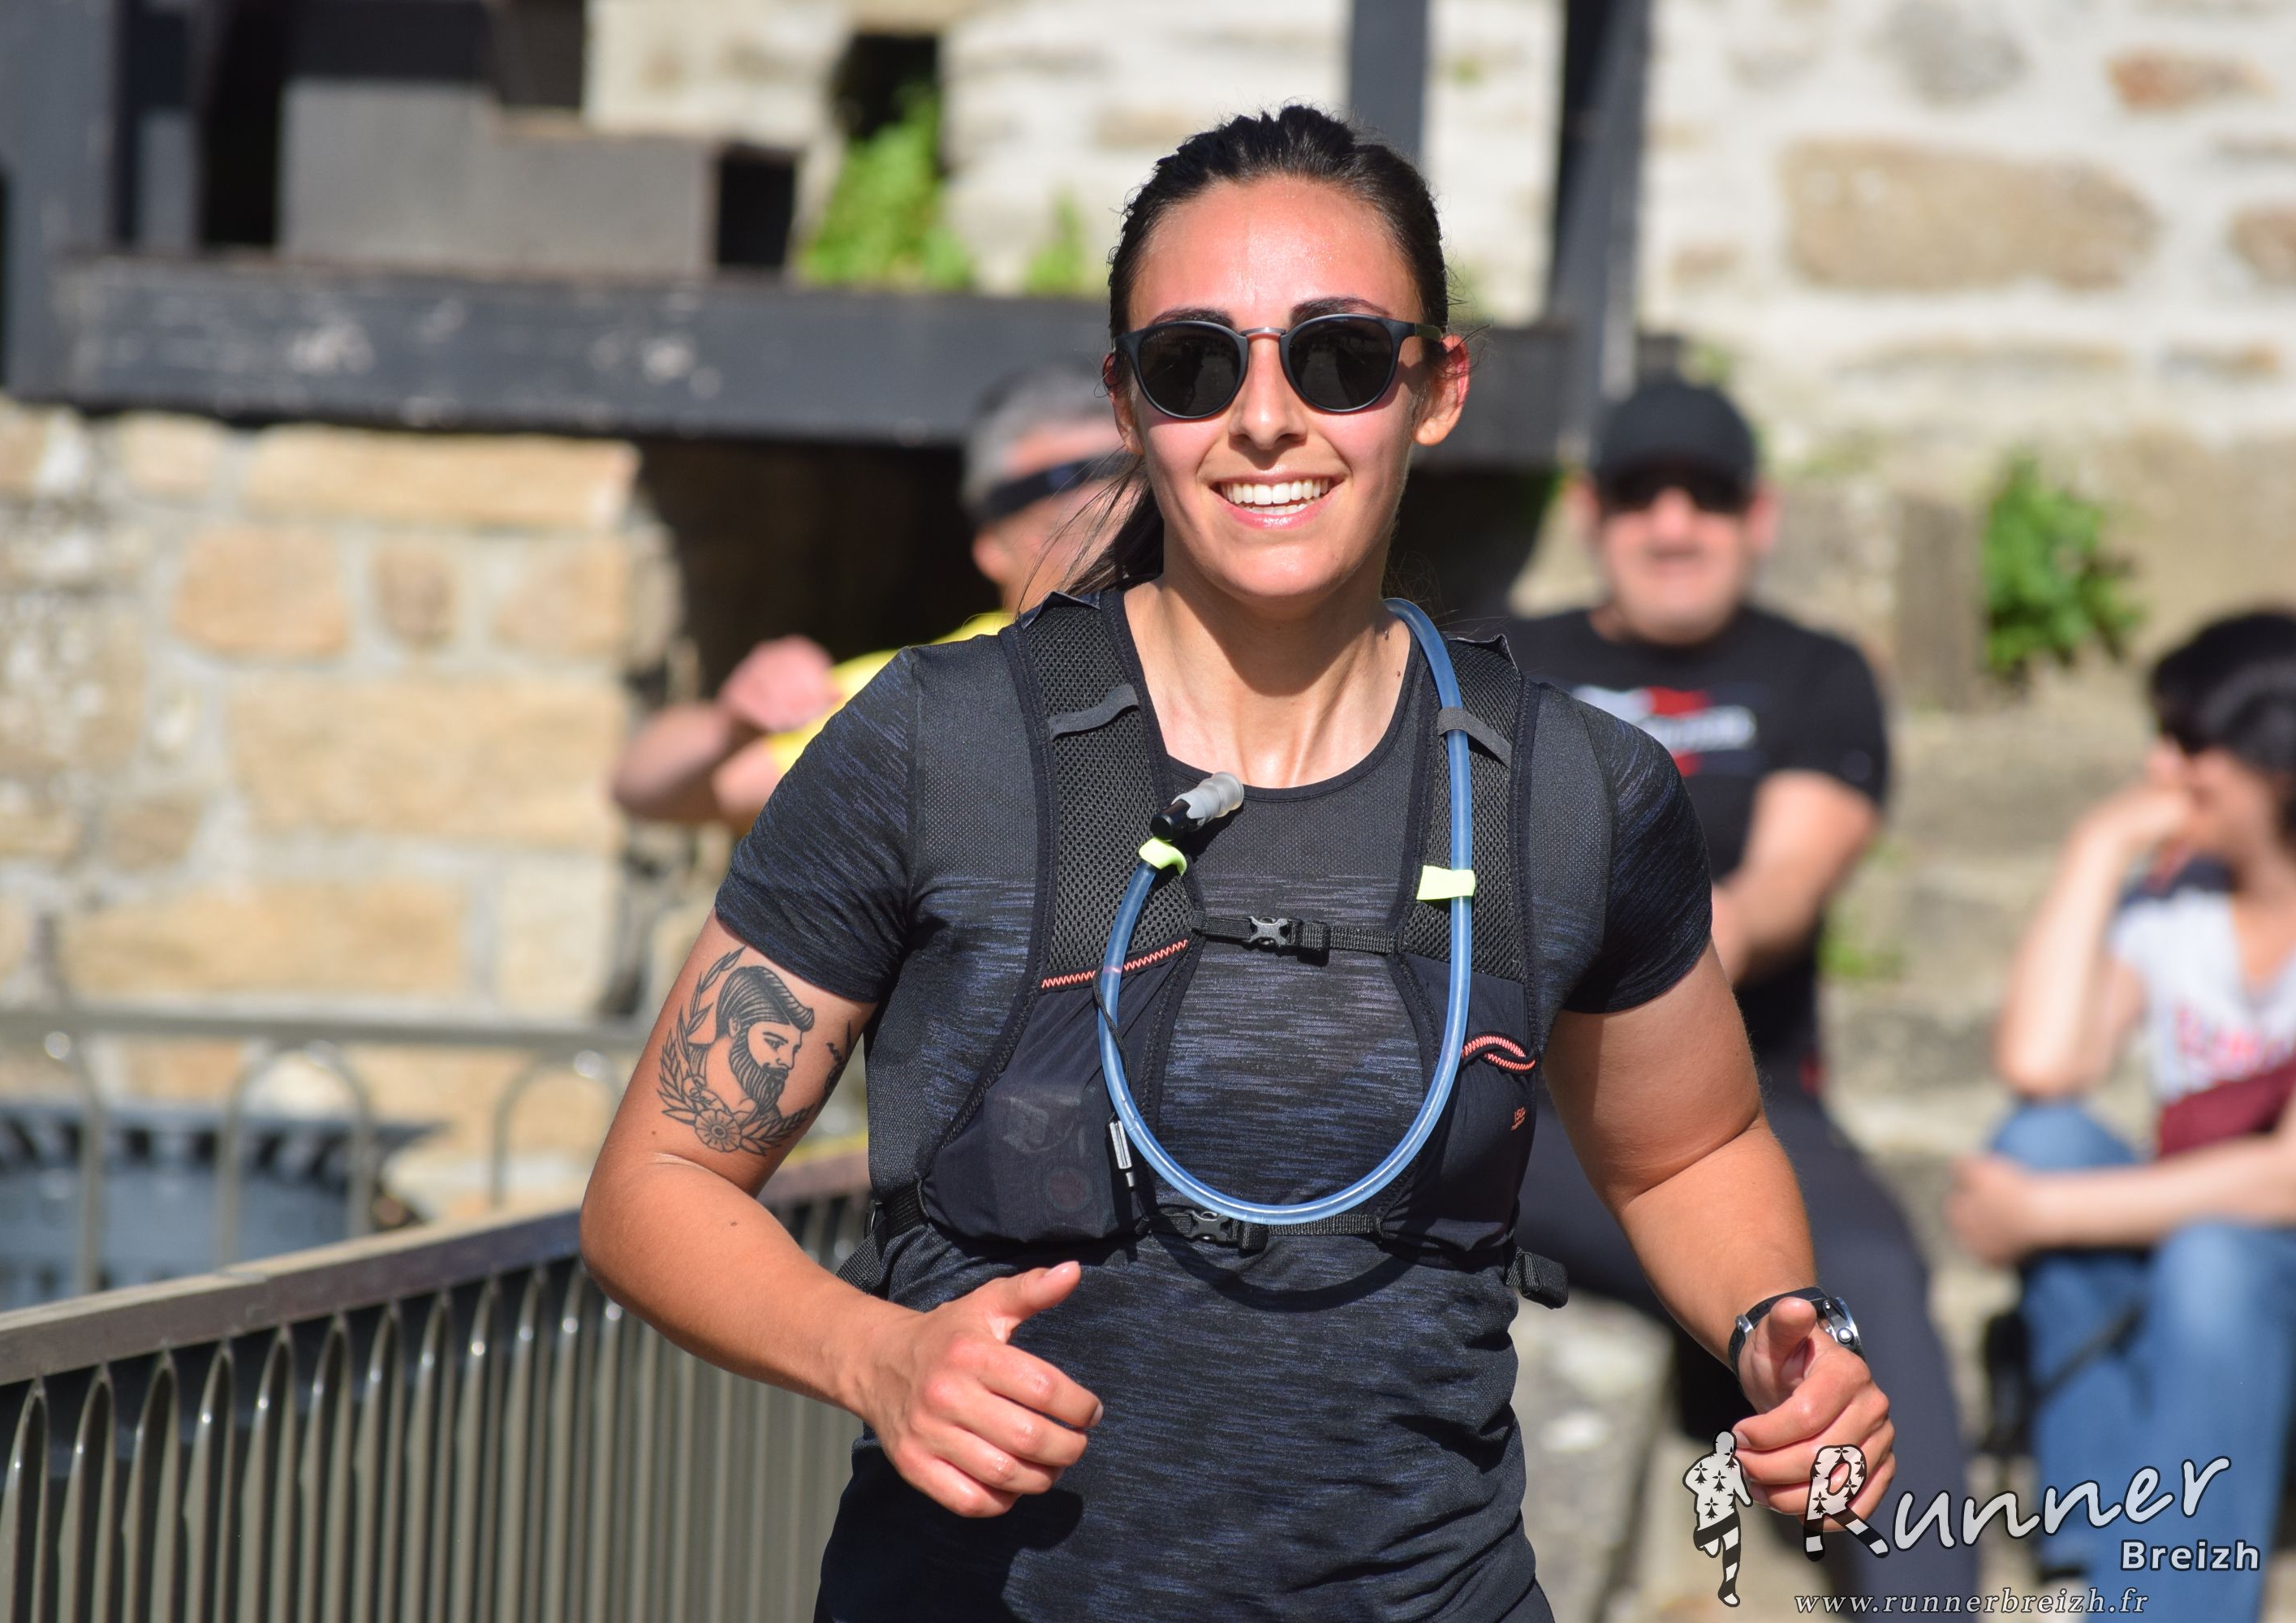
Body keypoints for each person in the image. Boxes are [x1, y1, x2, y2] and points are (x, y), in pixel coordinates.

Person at [580, 107, 1896, 1621]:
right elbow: (656, 1182)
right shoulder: (935, 744)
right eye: (1195, 365)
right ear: (1128, 403)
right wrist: (871, 1354)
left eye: (1339, 356)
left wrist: (1777, 1325)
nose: (1265, 418)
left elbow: (1687, 1151)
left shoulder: (1574, 793)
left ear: (1437, 388)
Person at [1506, 377, 1978, 1605]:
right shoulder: (1503, 663)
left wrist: (1603, 928)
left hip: (1738, 1100)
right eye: (1639, 494)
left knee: (1866, 1273)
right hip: (1519, 1098)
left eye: (1707, 496)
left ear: (1757, 516)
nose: (1673, 524)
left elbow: (1774, 898)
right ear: (1589, 511)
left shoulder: (1812, 673)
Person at [1954, 611, 2296, 1619]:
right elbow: (2040, 1064)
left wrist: (2043, 1214)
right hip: (2201, 1258)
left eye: (2189, 743)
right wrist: (2095, 849)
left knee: (2212, 1256)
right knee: (2041, 1140)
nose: (2159, 767)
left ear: (2274, 759)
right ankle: (2100, 1544)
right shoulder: (2176, 904)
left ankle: (2170, 1603)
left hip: (2252, 1265)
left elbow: (2286, 1178)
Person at [609, 364, 1125, 830]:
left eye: (1128, 478)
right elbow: (647, 789)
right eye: (1064, 491)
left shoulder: (1180, 656)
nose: (1108, 510)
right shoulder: (922, 693)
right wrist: (731, 725)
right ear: (992, 546)